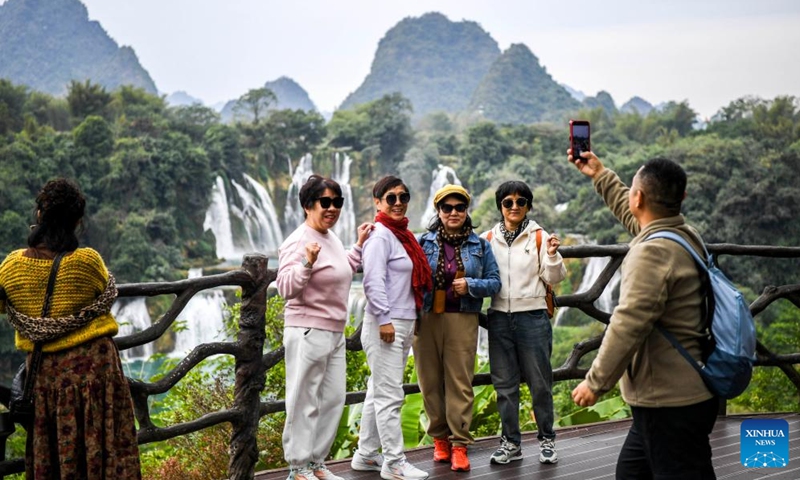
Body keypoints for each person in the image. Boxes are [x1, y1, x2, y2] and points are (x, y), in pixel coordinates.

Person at [569, 150, 718, 479]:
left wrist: (595, 382)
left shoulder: (652, 252)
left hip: (669, 400)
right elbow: (636, 216)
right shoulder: (684, 234)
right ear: (682, 197)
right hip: (682, 391)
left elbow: (628, 322)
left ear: (639, 197)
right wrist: (599, 174)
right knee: (632, 472)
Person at [0, 178, 141, 479]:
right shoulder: (88, 261)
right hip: (97, 374)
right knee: (106, 446)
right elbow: (104, 290)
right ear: (78, 220)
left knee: (53, 449)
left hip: (47, 378)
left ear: (39, 216)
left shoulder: (11, 266)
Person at [277, 174, 373, 480]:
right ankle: (298, 466)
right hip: (307, 330)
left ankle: (317, 463)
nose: (332, 208)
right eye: (325, 202)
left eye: (338, 202)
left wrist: (358, 245)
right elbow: (284, 288)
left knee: (332, 399)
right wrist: (306, 263)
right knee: (304, 400)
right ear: (308, 206)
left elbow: (342, 268)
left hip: (333, 332)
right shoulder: (298, 241)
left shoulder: (330, 238)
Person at [415, 185, 500, 472]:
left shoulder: (480, 246)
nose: (454, 212)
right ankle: (440, 439)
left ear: (467, 211)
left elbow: (494, 281)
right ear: (438, 212)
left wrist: (471, 286)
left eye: (459, 207)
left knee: (460, 381)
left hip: (462, 318)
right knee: (429, 380)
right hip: (427, 318)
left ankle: (460, 444)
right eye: (447, 208)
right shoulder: (422, 243)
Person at [351, 176, 432, 480]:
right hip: (385, 322)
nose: (398, 203)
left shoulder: (403, 236)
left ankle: (365, 454)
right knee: (390, 395)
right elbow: (371, 280)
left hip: (403, 320)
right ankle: (394, 463)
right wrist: (384, 319)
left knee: (378, 389)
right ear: (378, 202)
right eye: (390, 198)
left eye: (403, 196)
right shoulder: (380, 236)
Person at [484, 180, 566, 465]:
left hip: (532, 316)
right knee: (504, 385)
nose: (514, 207)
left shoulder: (539, 237)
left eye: (521, 202)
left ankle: (546, 440)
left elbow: (555, 277)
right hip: (498, 319)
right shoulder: (488, 239)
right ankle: (510, 443)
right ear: (501, 206)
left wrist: (553, 255)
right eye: (508, 202)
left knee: (540, 383)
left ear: (528, 205)